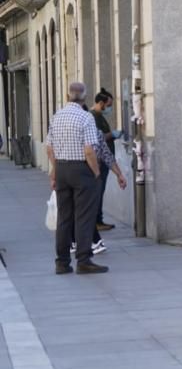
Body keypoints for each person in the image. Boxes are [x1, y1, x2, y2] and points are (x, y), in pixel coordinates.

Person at [46, 82, 124, 275]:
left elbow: (49, 147)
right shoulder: (85, 117)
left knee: (64, 218)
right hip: (82, 170)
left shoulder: (57, 117)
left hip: (63, 168)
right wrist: (96, 173)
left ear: (67, 95)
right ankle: (83, 260)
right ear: (85, 97)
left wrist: (55, 171)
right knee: (84, 217)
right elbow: (89, 150)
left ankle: (62, 263)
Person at [91, 88, 120, 232]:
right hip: (100, 161)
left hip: (103, 160)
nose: (109, 108)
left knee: (99, 191)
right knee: (98, 191)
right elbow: (99, 138)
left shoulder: (98, 116)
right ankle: (97, 221)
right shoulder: (93, 117)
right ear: (101, 103)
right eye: (108, 105)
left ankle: (98, 220)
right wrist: (113, 134)